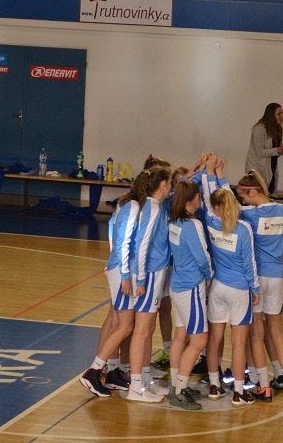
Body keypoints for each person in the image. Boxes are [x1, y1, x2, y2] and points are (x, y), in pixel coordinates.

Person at [79, 171, 148, 397]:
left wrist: (113, 260)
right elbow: (123, 241)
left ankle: (112, 371)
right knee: (124, 325)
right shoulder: (133, 207)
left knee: (119, 322)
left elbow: (111, 227)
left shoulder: (126, 203)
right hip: (122, 271)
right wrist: (123, 271)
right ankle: (94, 371)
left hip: (119, 268)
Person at [236, 167, 283, 403]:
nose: (243, 201)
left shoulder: (249, 215)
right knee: (278, 332)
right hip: (276, 278)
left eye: (244, 196)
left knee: (256, 333)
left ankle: (264, 386)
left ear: (253, 192)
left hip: (256, 279)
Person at [200, 157, 260, 407]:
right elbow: (249, 264)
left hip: (217, 288)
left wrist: (210, 171)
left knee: (215, 339)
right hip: (239, 290)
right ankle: (238, 391)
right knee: (238, 342)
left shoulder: (211, 222)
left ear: (216, 208)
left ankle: (214, 385)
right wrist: (255, 289)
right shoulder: (243, 229)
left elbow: (208, 197)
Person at [128, 166, 173, 403]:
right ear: (163, 185)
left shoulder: (156, 206)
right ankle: (136, 386)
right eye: (170, 183)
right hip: (149, 275)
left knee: (148, 329)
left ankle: (144, 380)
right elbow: (141, 244)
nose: (171, 187)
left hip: (155, 273)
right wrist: (141, 278)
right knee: (142, 330)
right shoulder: (152, 209)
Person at [167, 179, 213, 411]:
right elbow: (202, 257)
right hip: (191, 288)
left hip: (177, 285)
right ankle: (180, 391)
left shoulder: (174, 221)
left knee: (180, 336)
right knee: (199, 340)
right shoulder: (192, 224)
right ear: (194, 198)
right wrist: (209, 275)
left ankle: (176, 384)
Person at [245, 103, 283, 195]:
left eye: (282, 113)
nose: (281, 117)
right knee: (258, 198)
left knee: (270, 197)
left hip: (271, 170)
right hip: (257, 171)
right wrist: (279, 149)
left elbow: (274, 153)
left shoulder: (278, 129)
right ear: (271, 115)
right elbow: (259, 152)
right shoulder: (259, 129)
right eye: (279, 114)